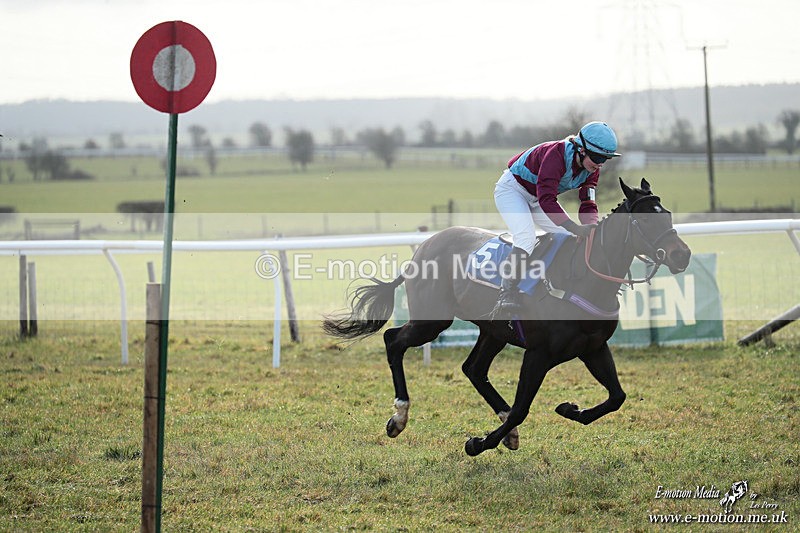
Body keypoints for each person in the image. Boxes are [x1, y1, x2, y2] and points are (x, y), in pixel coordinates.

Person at [491, 121, 621, 317]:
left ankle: (557, 283)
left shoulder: (593, 169)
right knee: (526, 239)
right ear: (581, 150)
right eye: (597, 157)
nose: (600, 164)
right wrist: (573, 227)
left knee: (565, 236)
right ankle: (506, 291)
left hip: (537, 197)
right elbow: (547, 200)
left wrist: (590, 226)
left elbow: (587, 201)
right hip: (512, 190)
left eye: (605, 159)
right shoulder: (556, 156)